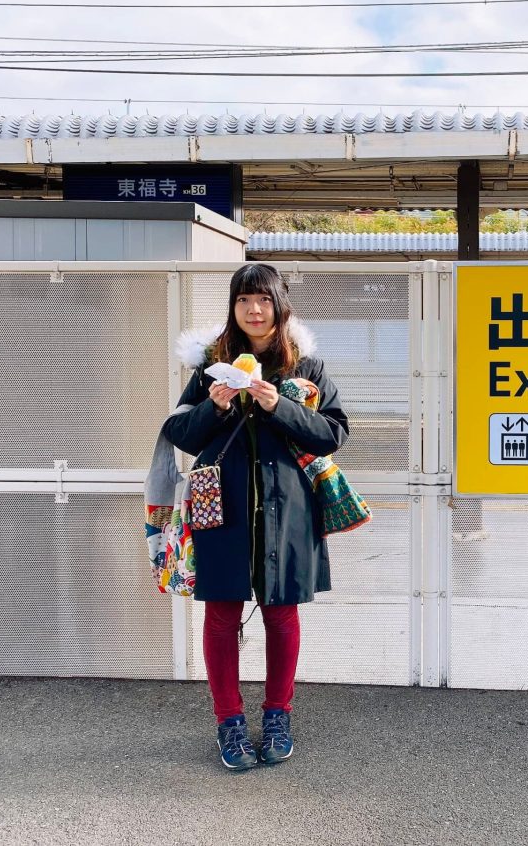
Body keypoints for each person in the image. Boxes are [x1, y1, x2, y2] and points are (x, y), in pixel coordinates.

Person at [162, 263, 349, 772]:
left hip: (286, 506)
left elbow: (333, 433)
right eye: (243, 300)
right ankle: (229, 721)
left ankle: (277, 716)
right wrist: (215, 407)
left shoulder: (305, 366)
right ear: (233, 307)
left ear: (279, 305)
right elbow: (182, 434)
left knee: (280, 612)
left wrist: (277, 405)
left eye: (263, 299)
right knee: (221, 614)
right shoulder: (212, 366)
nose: (254, 310)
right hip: (220, 505)